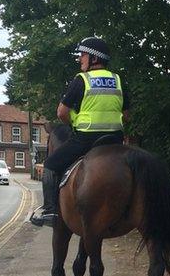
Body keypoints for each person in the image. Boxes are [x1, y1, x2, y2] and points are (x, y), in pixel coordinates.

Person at [30, 37, 131, 227]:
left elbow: (61, 113)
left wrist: (76, 122)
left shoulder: (82, 79)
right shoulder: (118, 80)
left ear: (94, 58)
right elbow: (126, 115)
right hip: (114, 141)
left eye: (82, 55)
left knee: (51, 165)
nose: (80, 59)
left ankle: (51, 211)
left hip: (86, 139)